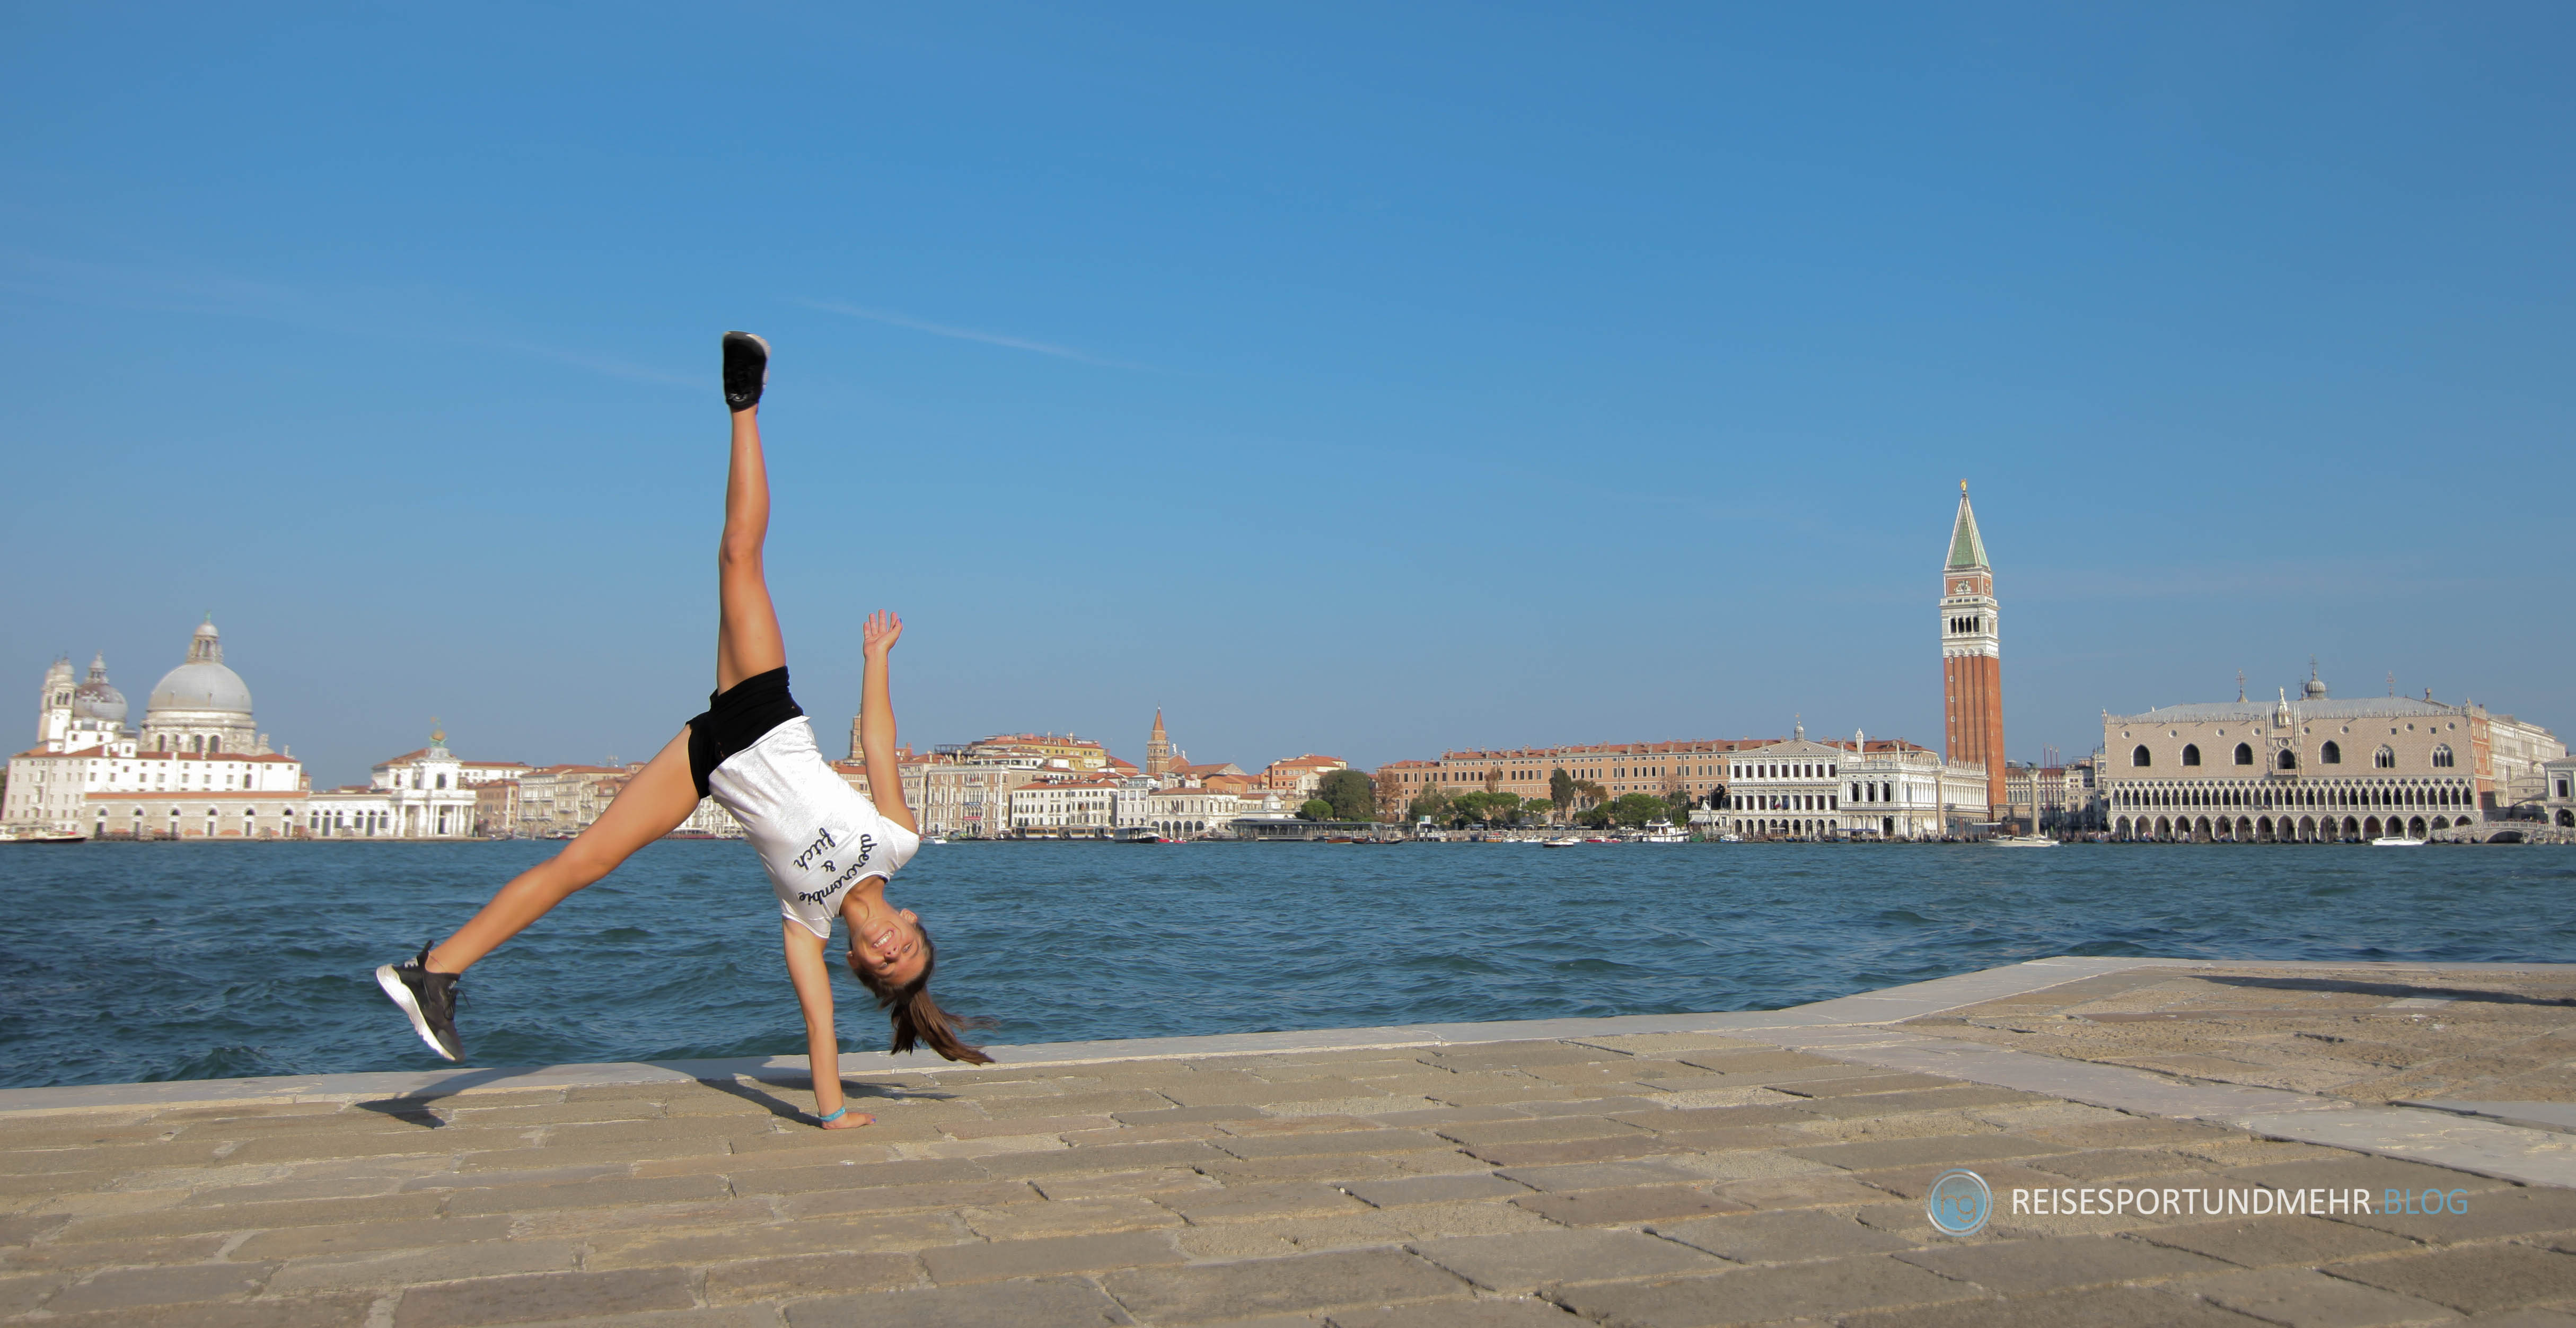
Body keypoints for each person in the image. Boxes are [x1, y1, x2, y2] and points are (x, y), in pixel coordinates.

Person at [375, 332, 990, 1130]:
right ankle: (745, 403)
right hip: (764, 711)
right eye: (905, 948)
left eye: (883, 966)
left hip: (708, 762)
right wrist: (876, 663)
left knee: (581, 864)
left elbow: (819, 1027)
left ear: (856, 960)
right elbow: (877, 747)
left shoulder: (805, 927)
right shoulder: (897, 843)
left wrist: (833, 1113)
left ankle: (432, 974)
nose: (888, 950)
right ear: (910, 923)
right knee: (739, 556)